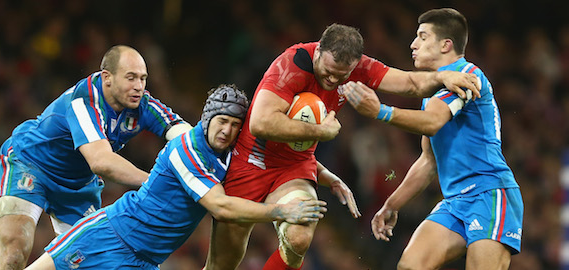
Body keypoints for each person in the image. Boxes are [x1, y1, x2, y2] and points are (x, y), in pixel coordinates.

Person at [204, 23, 482, 270]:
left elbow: (409, 82)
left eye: (342, 75)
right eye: (328, 72)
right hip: (252, 161)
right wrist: (320, 131)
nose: (333, 81)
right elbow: (261, 123)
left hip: (294, 166)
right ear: (318, 53)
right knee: (223, 263)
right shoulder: (292, 63)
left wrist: (443, 76)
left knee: (299, 235)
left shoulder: (359, 67)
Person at [23, 84, 327, 270]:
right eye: (222, 121)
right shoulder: (185, 149)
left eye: (236, 125)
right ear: (207, 119)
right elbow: (221, 207)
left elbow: (279, 161)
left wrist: (325, 176)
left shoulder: (230, 154)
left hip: (145, 262)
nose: (228, 131)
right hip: (109, 234)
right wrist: (279, 211)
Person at [345, 8, 523, 269]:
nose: (413, 44)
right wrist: (392, 204)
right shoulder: (434, 92)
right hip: (455, 203)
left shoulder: (466, 74)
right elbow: (428, 161)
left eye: (422, 36)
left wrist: (380, 111)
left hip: (490, 194)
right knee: (410, 265)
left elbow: (432, 123)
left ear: (445, 45)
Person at [0, 45, 193, 270]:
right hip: (31, 163)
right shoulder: (85, 100)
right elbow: (101, 162)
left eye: (142, 79)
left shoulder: (143, 105)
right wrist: (154, 181)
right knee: (15, 250)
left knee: (84, 263)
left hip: (79, 185)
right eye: (130, 78)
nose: (138, 86)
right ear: (107, 77)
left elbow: (183, 133)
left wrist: (206, 152)